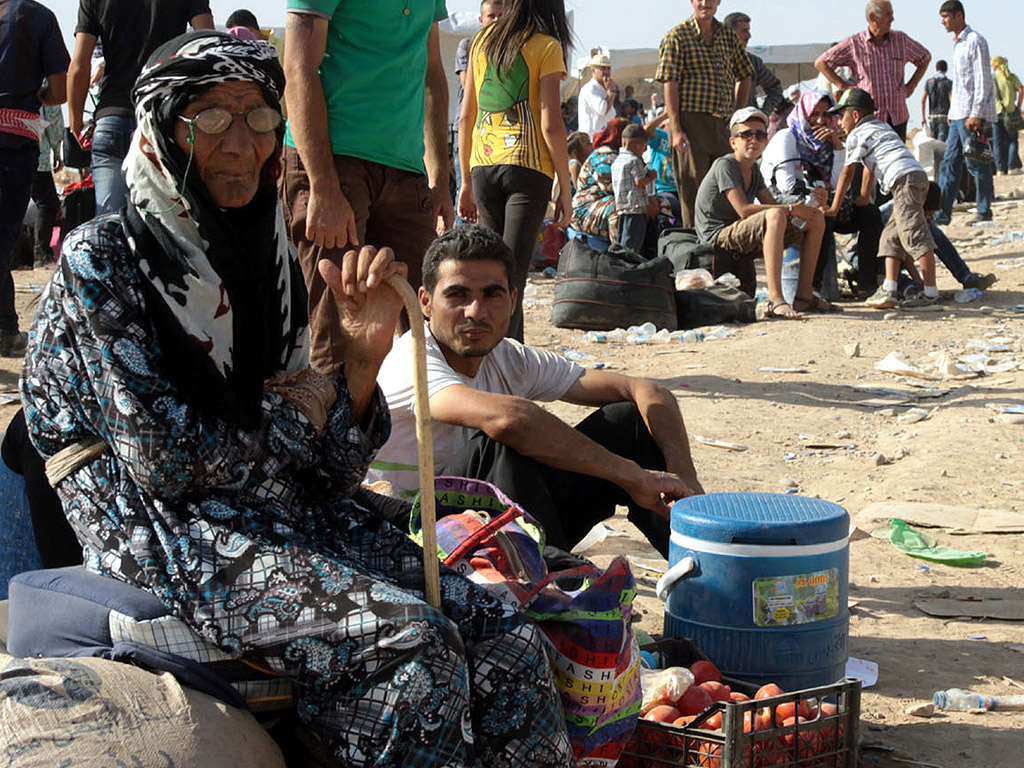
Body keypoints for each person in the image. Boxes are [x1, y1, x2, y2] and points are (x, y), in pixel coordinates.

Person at [21, 31, 573, 767]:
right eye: (211, 116)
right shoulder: (108, 258)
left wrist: (355, 369)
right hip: (162, 526)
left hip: (278, 510)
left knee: (507, 637)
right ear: (160, 127)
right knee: (411, 644)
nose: (241, 141)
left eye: (258, 116)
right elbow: (169, 462)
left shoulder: (272, 259)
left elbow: (331, 473)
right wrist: (299, 407)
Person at [368, 224, 704, 560]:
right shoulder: (411, 358)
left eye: (492, 294)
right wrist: (632, 476)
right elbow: (510, 420)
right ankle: (552, 592)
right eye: (457, 295)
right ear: (425, 302)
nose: (475, 312)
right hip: (417, 536)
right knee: (502, 444)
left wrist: (683, 479)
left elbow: (646, 390)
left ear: (513, 301)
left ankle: (703, 564)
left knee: (627, 419)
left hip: (491, 526)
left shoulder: (509, 357)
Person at [282, 1, 454, 374]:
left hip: (406, 169)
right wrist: (323, 187)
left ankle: (412, 432)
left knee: (425, 328)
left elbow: (432, 74)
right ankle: (334, 431)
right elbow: (297, 68)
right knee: (338, 334)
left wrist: (440, 177)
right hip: (334, 162)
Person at [457, 0, 572, 343]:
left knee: (490, 269)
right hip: (528, 167)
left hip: (483, 166)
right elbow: (550, 123)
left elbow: (466, 116)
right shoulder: (546, 46)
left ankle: (487, 357)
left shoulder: (481, 42)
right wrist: (565, 187)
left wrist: (464, 179)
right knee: (513, 275)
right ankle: (510, 360)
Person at [67, 0, 214, 217]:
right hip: (161, 117)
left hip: (112, 117)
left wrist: (75, 121)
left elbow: (79, 65)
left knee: (110, 222)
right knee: (163, 223)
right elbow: (209, 45)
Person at [695, 107, 828, 318]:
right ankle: (776, 299)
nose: (753, 140)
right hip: (716, 236)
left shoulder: (753, 169)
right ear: (733, 142)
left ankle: (804, 296)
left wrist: (809, 203)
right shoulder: (726, 165)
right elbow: (745, 210)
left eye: (760, 134)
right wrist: (793, 209)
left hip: (741, 231)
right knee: (775, 215)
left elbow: (772, 203)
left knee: (816, 218)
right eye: (746, 134)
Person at [761, 89, 884, 297]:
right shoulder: (787, 137)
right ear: (804, 113)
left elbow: (838, 184)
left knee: (869, 214)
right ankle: (812, 290)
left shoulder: (833, 145)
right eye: (815, 114)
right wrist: (822, 193)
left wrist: (837, 146)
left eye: (827, 115)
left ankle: (868, 284)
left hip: (821, 201)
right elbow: (787, 185)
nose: (821, 120)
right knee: (821, 214)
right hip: (788, 205)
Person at [826, 89, 939, 310]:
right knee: (890, 236)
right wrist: (864, 196)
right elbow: (870, 166)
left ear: (855, 116)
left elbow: (847, 173)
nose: (840, 123)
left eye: (842, 116)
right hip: (913, 178)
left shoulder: (858, 134)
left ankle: (930, 294)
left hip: (903, 181)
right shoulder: (882, 127)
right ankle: (889, 289)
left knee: (915, 235)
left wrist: (834, 207)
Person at [0, 0, 69, 358]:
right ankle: (5, 332)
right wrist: (37, 96)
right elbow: (60, 91)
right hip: (12, 139)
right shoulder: (39, 17)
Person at [656, 0, 754, 228]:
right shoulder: (677, 36)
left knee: (727, 187)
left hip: (723, 124)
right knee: (694, 190)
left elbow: (745, 74)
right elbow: (670, 82)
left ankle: (725, 249)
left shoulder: (728, 36)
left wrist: (737, 114)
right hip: (691, 123)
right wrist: (677, 129)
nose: (704, 3)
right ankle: (697, 252)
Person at [815, 1, 930, 142]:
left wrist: (911, 86)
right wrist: (844, 86)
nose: (892, 19)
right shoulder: (855, 44)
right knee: (867, 162)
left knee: (895, 160)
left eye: (892, 14)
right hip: (868, 118)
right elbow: (821, 63)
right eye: (888, 14)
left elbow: (925, 57)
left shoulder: (901, 40)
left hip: (897, 116)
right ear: (872, 17)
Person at [933, 0, 997, 225]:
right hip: (958, 113)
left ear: (958, 15)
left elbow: (983, 78)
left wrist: (976, 112)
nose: (943, 21)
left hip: (971, 114)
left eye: (946, 16)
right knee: (949, 162)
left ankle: (984, 210)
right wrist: (952, 112)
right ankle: (941, 213)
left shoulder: (975, 41)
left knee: (977, 162)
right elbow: (960, 83)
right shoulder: (957, 44)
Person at [453, 0, 504, 211]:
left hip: (497, 134)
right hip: (468, 130)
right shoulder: (469, 46)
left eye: (501, 16)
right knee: (466, 195)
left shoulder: (512, 50)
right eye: (491, 16)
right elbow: (471, 87)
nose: (496, 21)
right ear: (481, 20)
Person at [571, 117, 627, 243]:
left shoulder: (623, 154)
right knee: (621, 206)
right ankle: (620, 254)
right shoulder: (604, 156)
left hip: (604, 205)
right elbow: (610, 187)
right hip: (585, 211)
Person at [723, 11, 784, 117]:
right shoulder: (713, 60)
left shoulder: (753, 63)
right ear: (730, 32)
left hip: (746, 126)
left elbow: (775, 88)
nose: (749, 36)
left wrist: (762, 114)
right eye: (744, 31)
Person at [612, 123, 657, 252]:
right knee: (633, 243)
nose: (643, 151)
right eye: (644, 147)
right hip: (636, 208)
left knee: (622, 239)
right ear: (638, 145)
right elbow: (640, 182)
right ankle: (628, 266)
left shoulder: (618, 161)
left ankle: (619, 263)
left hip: (622, 207)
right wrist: (652, 177)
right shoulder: (634, 161)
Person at [30, 104, 64, 269]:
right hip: (36, 154)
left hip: (8, 150)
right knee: (47, 204)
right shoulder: (43, 81)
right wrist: (57, 150)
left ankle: (11, 258)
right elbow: (54, 121)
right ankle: (41, 255)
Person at [991, 56, 1023, 175]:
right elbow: (1021, 90)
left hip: (996, 113)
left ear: (996, 65)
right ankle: (1012, 167)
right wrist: (1018, 106)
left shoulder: (992, 78)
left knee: (997, 142)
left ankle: (1000, 169)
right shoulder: (1011, 76)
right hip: (1010, 113)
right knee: (1012, 140)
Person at [578, 53, 617, 138]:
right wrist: (612, 93)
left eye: (608, 68)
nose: (606, 71)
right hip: (592, 139)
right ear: (593, 70)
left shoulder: (604, 89)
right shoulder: (590, 89)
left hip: (603, 137)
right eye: (603, 68)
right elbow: (603, 110)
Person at [922, 60, 953, 140]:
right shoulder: (948, 82)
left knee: (933, 142)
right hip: (944, 115)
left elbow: (923, 100)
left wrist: (923, 117)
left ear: (936, 68)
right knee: (941, 143)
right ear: (946, 69)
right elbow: (951, 99)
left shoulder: (928, 82)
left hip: (932, 116)